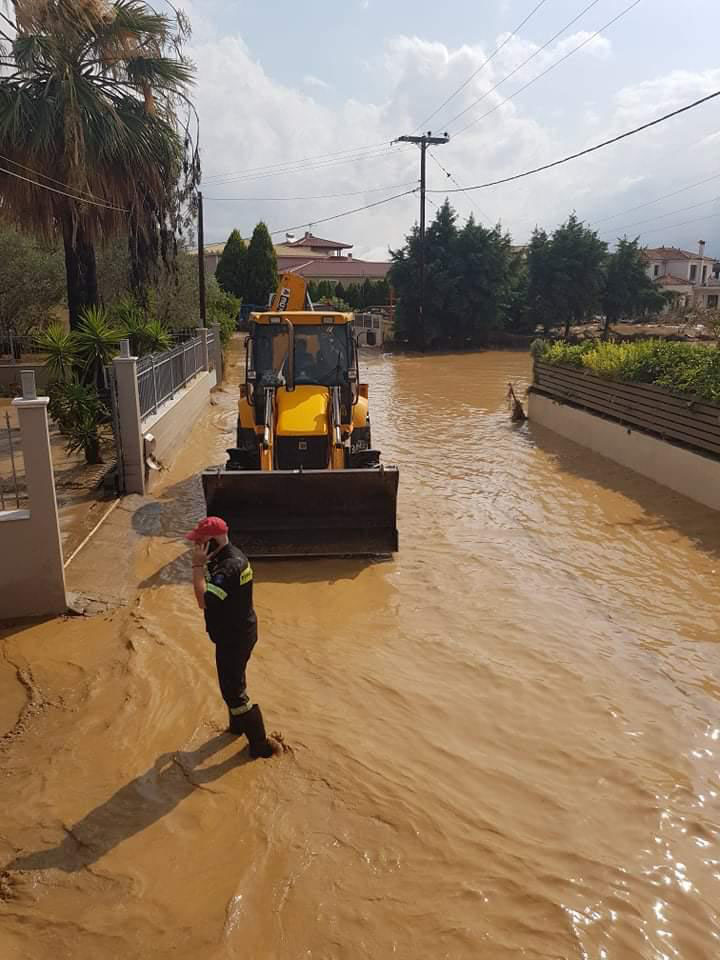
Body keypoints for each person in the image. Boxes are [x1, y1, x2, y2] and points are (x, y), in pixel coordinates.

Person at [187, 516, 278, 759]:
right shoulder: (228, 556)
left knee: (233, 692)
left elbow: (202, 601)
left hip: (234, 638)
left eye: (199, 542)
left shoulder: (228, 567)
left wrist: (196, 567)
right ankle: (237, 728)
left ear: (213, 542)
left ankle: (260, 746)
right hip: (237, 632)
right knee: (232, 683)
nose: (195, 546)